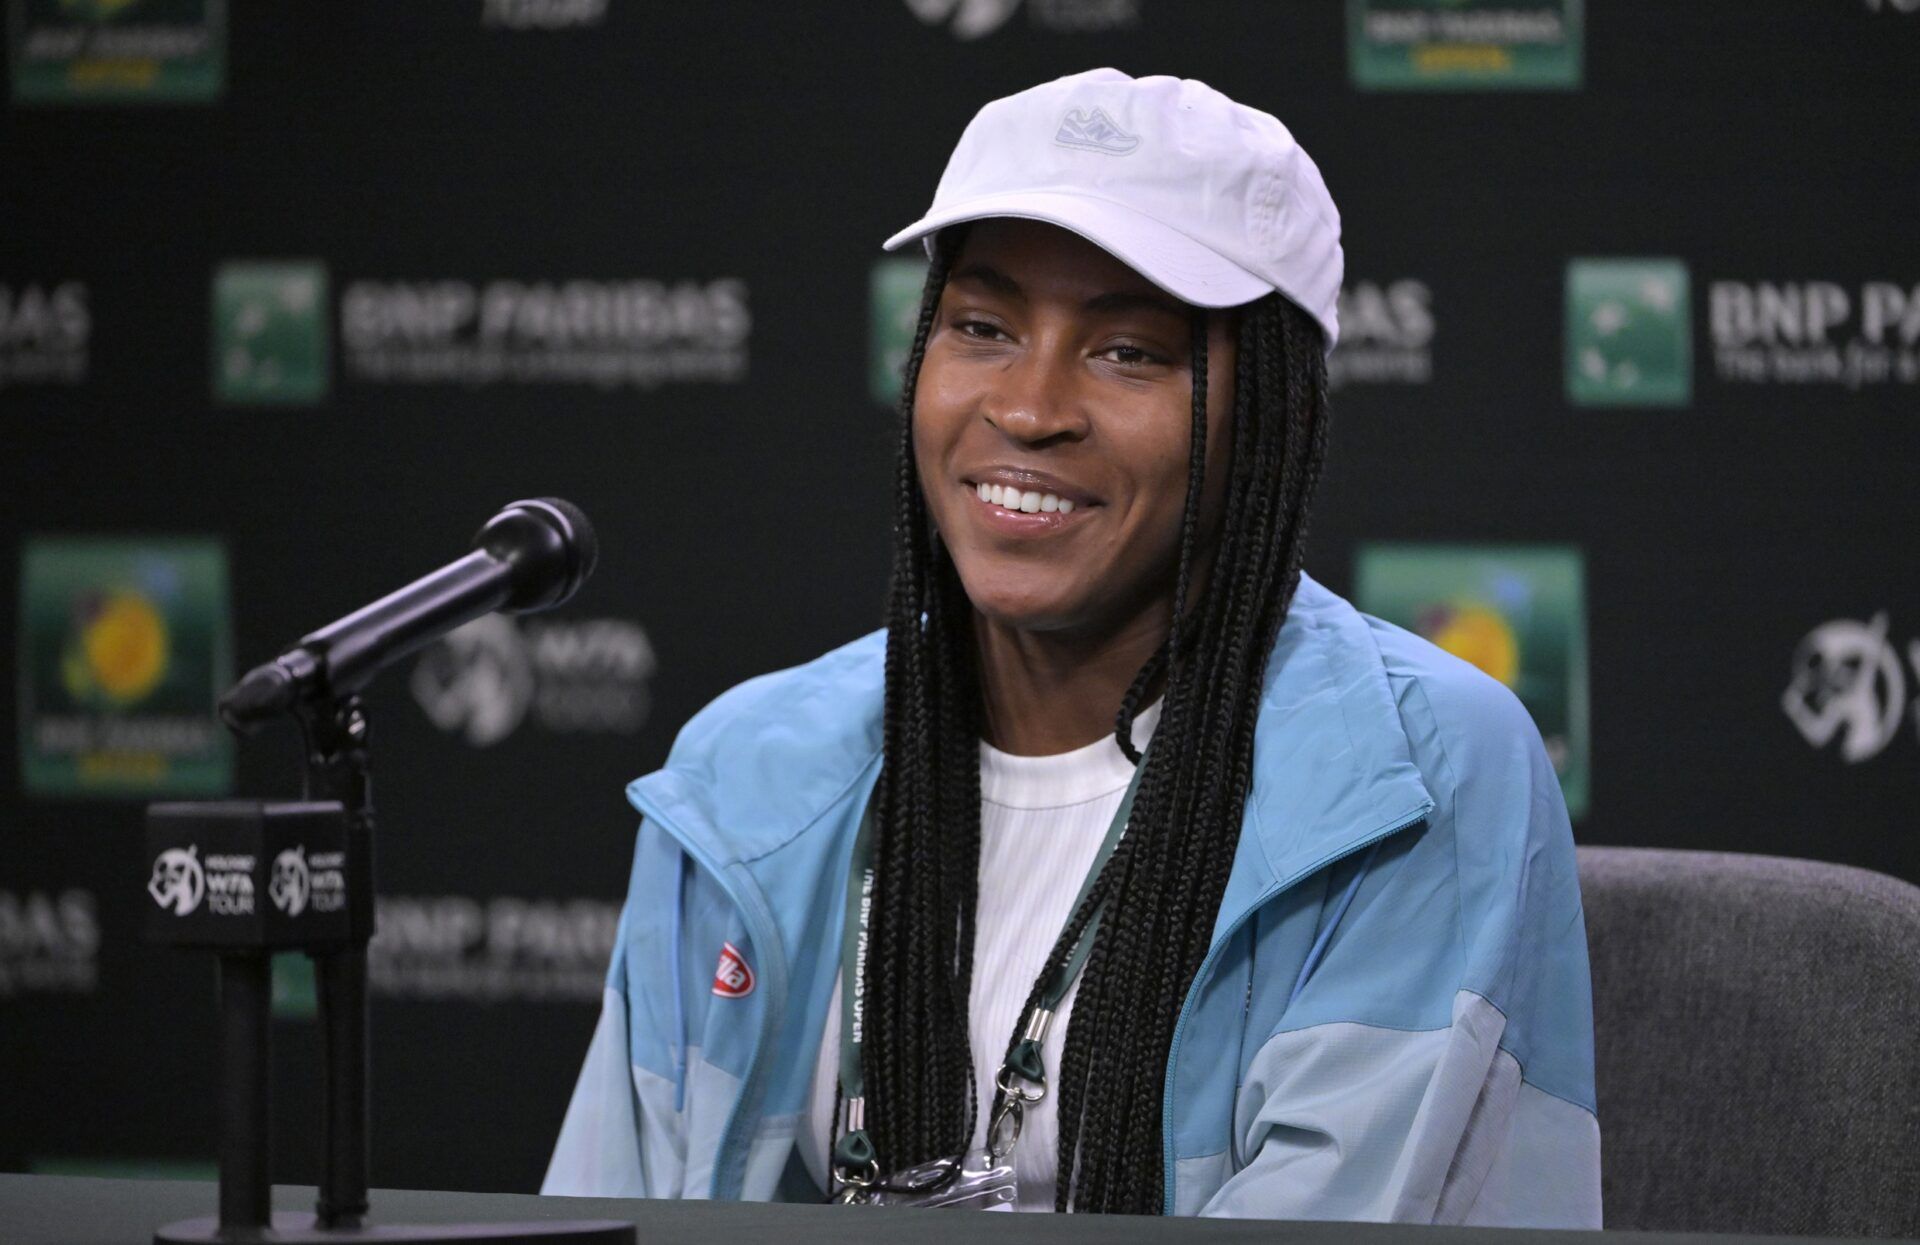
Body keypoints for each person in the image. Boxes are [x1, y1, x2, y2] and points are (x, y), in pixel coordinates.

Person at [542, 68, 1600, 1223]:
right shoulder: (747, 780)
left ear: (1272, 414)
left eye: (1129, 352)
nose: (1031, 406)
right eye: (982, 328)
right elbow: (606, 1214)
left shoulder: (1415, 774)